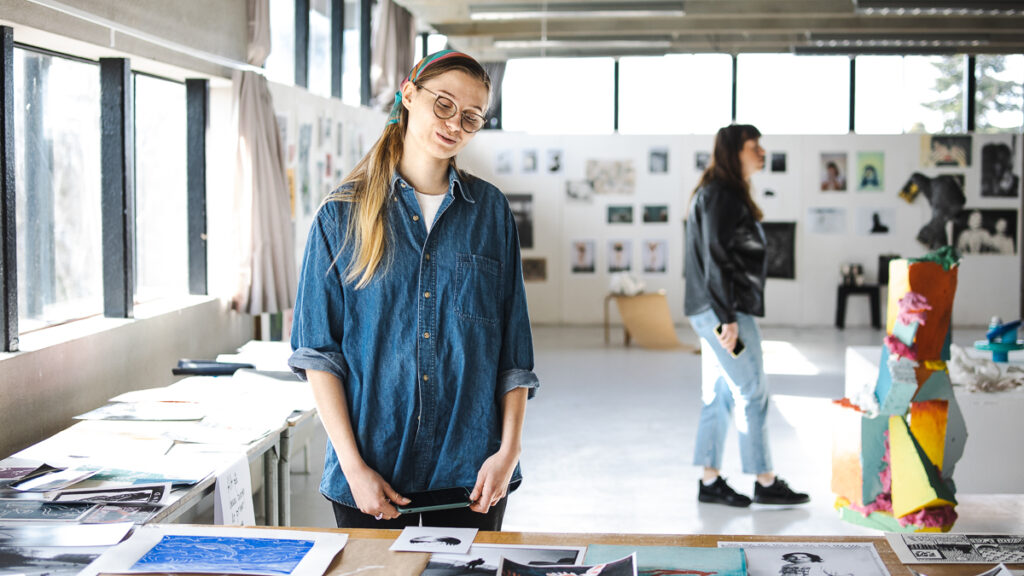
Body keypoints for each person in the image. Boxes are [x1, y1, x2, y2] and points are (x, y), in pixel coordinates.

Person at [288, 50, 538, 530]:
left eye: (470, 117)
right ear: (408, 95)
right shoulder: (339, 217)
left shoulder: (490, 213)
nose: (454, 124)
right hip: (371, 478)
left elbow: (514, 353)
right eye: (442, 104)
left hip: (474, 475)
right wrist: (353, 468)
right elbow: (319, 355)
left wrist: (509, 452)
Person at [684, 124, 810, 507]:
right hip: (724, 311)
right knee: (753, 391)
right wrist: (728, 317)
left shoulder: (717, 192)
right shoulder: (722, 195)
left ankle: (710, 481)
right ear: (733, 152)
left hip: (712, 309)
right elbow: (718, 258)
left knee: (719, 393)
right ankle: (765, 479)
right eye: (753, 146)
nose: (761, 152)